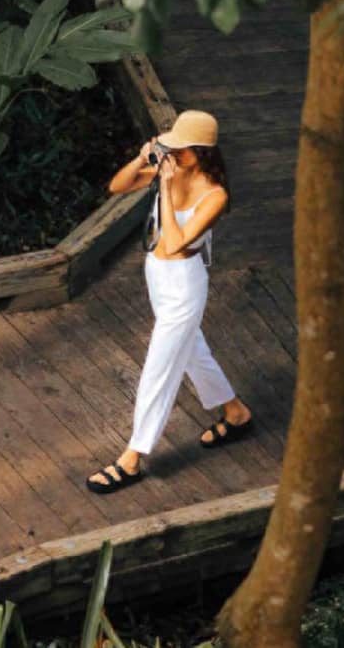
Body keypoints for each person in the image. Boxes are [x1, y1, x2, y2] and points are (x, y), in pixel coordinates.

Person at [86, 110, 255, 494]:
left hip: (183, 285)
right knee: (193, 352)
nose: (174, 153)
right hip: (157, 276)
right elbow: (117, 187)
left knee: (159, 369)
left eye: (182, 149)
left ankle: (132, 457)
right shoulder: (170, 167)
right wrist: (141, 160)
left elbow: (177, 242)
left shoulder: (215, 194)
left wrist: (163, 187)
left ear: (201, 151)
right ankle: (236, 412)